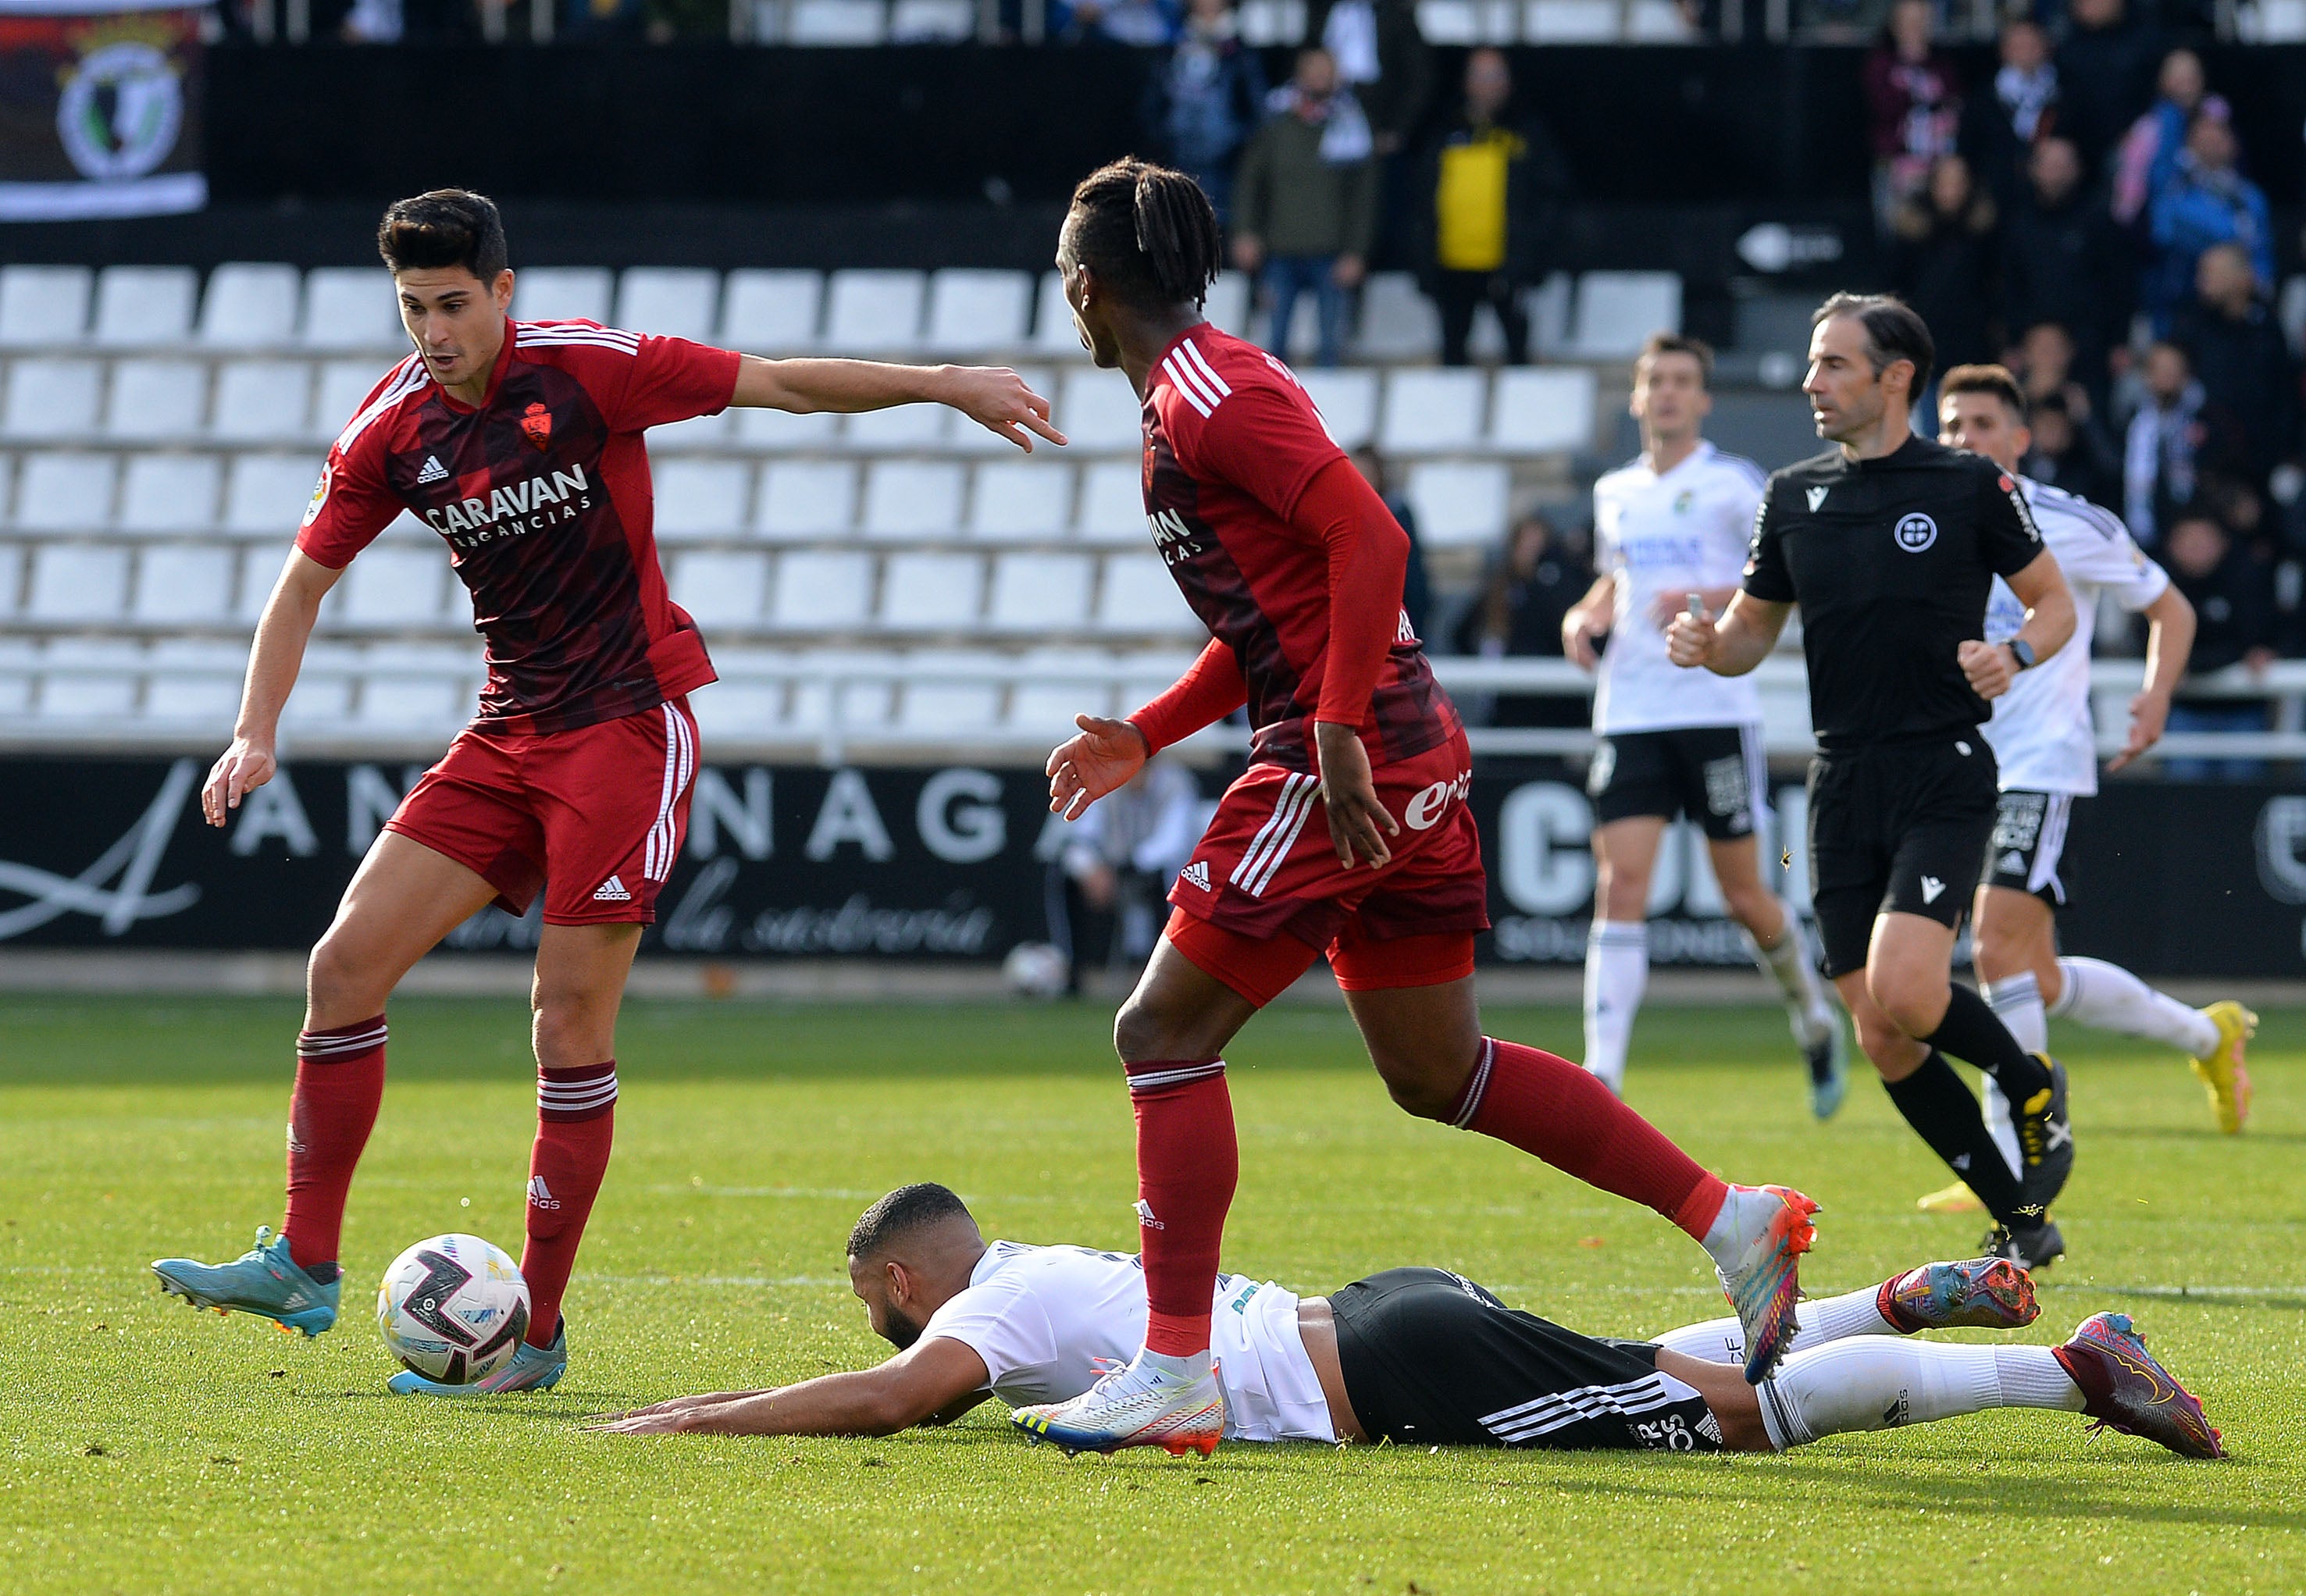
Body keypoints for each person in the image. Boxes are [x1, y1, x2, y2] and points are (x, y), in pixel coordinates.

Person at [147, 188, 1064, 1393]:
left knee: (566, 1024)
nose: (434, 329)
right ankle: (305, 1267)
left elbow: (780, 384)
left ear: (504, 291)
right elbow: (302, 583)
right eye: (414, 307)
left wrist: (943, 381)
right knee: (343, 967)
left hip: (626, 729)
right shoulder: (392, 428)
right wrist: (253, 730)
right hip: (506, 731)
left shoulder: (587, 370)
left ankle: (536, 1334)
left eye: (455, 304)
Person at [1030, 158, 1824, 1455]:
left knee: (1160, 1031)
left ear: (1080, 287)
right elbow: (1276, 609)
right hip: (1395, 748)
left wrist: (1333, 729)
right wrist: (1150, 731)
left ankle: (1175, 1367)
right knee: (1437, 1071)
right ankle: (1729, 1217)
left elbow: (1375, 542)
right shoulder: (1203, 385)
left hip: (1345, 755)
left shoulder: (1203, 393)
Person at [588, 1183, 2224, 1464]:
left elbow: (888, 1404)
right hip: (1382, 1309)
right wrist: (713, 1397)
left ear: (896, 1279)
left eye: (871, 1309)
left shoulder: (987, 1309)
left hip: (1388, 1367)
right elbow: (887, 1388)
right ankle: (1887, 1297)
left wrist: (686, 1420)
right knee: (1636, 1379)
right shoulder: (1037, 1265)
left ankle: (2062, 1363)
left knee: (1739, 1422)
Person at [1667, 293, 2081, 1271]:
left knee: (1906, 985)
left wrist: (2016, 655)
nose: (1811, 383)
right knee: (1880, 1031)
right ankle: (2022, 1217)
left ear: (1895, 378)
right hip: (1840, 777)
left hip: (1942, 766)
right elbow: (1746, 636)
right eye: (1813, 364)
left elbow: (2055, 604)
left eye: (1833, 365)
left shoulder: (1970, 484)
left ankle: (2028, 1084)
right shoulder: (1793, 493)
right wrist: (1703, 644)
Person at [1926, 367, 2250, 1225]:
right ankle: (2209, 1037)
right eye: (1951, 423)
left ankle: (2012, 1153)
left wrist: (2153, 697)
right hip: (1957, 763)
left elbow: (2168, 608)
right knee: (2032, 974)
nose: (1964, 438)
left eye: (1982, 423)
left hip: (2040, 759)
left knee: (1992, 950)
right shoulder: (1926, 519)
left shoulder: (2069, 523)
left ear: (2020, 438)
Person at [1559, 334, 1845, 1113]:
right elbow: (1618, 576)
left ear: (1704, 398)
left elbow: (1784, 573)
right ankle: (1602, 1075)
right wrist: (1585, 613)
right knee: (1619, 887)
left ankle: (1812, 1017)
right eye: (1656, 381)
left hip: (1713, 707)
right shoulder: (1615, 490)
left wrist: (1707, 590)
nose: (1669, 394)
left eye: (1683, 381)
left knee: (1744, 896)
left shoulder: (1730, 484)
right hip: (1630, 710)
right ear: (1636, 396)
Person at [1412, 47, 1567, 369]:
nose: (1488, 85)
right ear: (1466, 83)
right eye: (1480, 76)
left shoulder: (1528, 134)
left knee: (1518, 356)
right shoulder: (1444, 133)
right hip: (1452, 264)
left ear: (1509, 83)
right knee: (1452, 357)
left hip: (1508, 265)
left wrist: (1529, 256)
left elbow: (1550, 198)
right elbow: (1423, 200)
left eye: (1495, 76)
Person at [1231, 48, 1378, 370]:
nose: (1320, 78)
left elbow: (1363, 198)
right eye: (1313, 70)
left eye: (1327, 71)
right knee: (1275, 349)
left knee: (1331, 348)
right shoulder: (1276, 124)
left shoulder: (1351, 126)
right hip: (1280, 250)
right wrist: (1245, 232)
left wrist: (1357, 250)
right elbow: (1251, 182)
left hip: (1331, 251)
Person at [1048, 755, 1203, 995]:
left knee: (1165, 878)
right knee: (1065, 872)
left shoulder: (1175, 784)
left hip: (1159, 873)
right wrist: (1092, 869)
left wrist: (1129, 865)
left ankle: (1163, 976)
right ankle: (1073, 972)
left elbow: (1172, 842)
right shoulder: (1105, 782)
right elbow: (1081, 836)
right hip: (1111, 869)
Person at [2172, 242, 2299, 492]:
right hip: (2203, 463)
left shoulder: (2267, 331)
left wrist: (2290, 457)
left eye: (2211, 273)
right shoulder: (2189, 329)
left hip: (2263, 464)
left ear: (2242, 278)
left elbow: (2285, 398)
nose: (2201, 281)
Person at [2161, 511, 2277, 782]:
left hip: (2241, 707)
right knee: (2183, 793)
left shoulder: (2247, 578)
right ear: (2171, 544)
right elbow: (2151, 639)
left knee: (2244, 794)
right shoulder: (2159, 586)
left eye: (2203, 539)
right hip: (2186, 708)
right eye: (2187, 540)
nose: (2195, 548)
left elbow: (2255, 637)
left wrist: (2192, 662)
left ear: (2222, 542)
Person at [2001, 139, 2127, 383]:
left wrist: (2118, 341)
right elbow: (2009, 287)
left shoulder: (2098, 221)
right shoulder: (2020, 224)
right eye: (2049, 165)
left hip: (2090, 345)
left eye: (2063, 165)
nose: (2056, 173)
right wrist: (2013, 341)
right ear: (2034, 170)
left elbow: (2119, 283)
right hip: (2034, 346)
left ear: (2077, 169)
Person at [1451, 509, 1588, 729]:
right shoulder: (1498, 590)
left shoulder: (1559, 589)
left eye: (1538, 547)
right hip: (1507, 706)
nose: (1531, 554)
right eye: (1525, 546)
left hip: (1553, 707)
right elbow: (1460, 634)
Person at [2144, 109, 2273, 337]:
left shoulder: (2250, 197)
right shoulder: (2175, 187)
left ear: (2233, 144)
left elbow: (2261, 255)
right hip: (2180, 300)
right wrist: (2229, 243)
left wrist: (2257, 284)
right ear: (2190, 144)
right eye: (2203, 138)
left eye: (2218, 138)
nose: (2211, 144)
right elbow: (2164, 230)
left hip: (2236, 306)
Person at [1888, 154, 1999, 387]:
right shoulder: (1911, 236)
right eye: (1945, 182)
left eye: (1958, 183)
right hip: (1924, 349)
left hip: (1974, 351)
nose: (1951, 191)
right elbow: (1895, 290)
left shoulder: (1984, 236)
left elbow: (1996, 290)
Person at [1156, 0, 1267, 223]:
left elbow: (1256, 108)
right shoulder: (1171, 49)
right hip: (1178, 162)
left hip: (1227, 169)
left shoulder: (1242, 53)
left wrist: (1233, 142)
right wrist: (1168, 138)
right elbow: (1154, 104)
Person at [1862, 0, 1961, 238]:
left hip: (1939, 165)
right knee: (1899, 231)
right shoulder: (1881, 64)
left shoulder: (1942, 65)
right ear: (1895, 26)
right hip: (1899, 164)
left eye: (1921, 23)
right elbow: (1882, 107)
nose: (1915, 30)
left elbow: (1956, 104)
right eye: (1909, 23)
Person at [1303, 0, 1431, 162]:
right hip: (1320, 122)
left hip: (1377, 128)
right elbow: (1303, 63)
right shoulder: (1320, 11)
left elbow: (1419, 78)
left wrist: (1396, 130)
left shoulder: (1395, 16)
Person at [2111, 48, 2220, 230]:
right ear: (2164, 82)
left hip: (2215, 208)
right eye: (2179, 77)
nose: (2186, 84)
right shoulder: (2148, 129)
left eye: (2191, 77)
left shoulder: (2218, 118)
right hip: (2166, 219)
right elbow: (2133, 180)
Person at [1962, 15, 2059, 212]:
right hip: (1997, 200)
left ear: (2045, 47)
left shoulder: (2065, 93)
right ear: (2003, 50)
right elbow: (1968, 149)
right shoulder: (1983, 98)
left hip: (2056, 202)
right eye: (2018, 45)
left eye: (2031, 44)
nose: (2026, 52)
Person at [1351, 444, 1429, 641]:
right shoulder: (1341, 519)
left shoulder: (1398, 516)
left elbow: (1413, 581)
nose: (1360, 481)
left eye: (1365, 474)